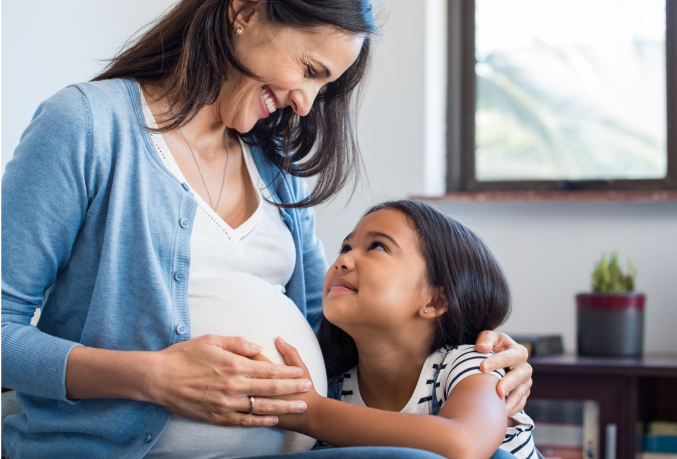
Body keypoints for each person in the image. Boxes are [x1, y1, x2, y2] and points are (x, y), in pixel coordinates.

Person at [0, 1, 533, 458]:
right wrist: (153, 377)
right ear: (245, 11)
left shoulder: (276, 170)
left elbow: (327, 330)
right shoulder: (87, 126)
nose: (305, 102)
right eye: (308, 68)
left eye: (323, 85)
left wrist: (474, 354)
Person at [265, 200, 539, 459]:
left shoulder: (472, 367)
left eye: (378, 247)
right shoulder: (335, 388)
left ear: (435, 301)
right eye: (346, 248)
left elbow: (464, 444)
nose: (342, 261)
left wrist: (310, 413)